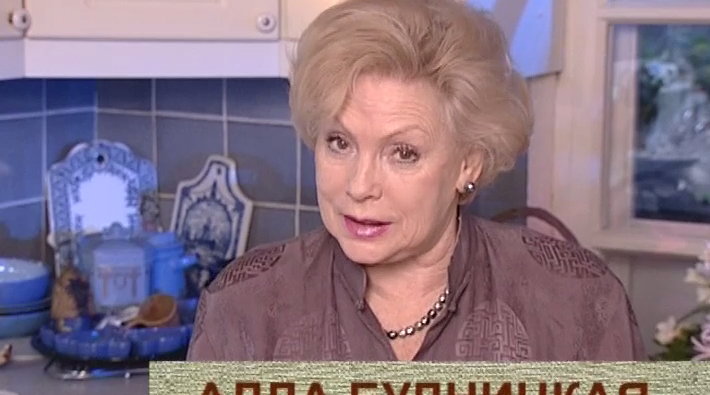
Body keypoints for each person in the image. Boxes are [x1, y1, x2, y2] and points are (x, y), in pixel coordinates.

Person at [187, 0, 646, 362]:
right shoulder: (242, 306)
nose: (360, 186)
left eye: (403, 153)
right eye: (339, 143)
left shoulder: (579, 302)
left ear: (468, 164)